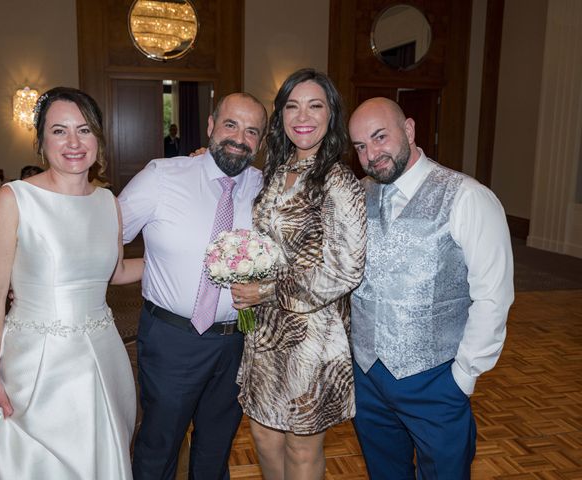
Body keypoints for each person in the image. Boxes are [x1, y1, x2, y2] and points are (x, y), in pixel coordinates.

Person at [0, 87, 143, 479]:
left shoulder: (108, 202)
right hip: (36, 366)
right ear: (41, 141)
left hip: (103, 358)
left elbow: (115, 273)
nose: (73, 142)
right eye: (59, 131)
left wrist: (177, 263)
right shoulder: (14, 199)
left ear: (98, 140)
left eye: (84, 130)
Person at [348, 97, 514, 479]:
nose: (372, 154)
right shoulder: (358, 194)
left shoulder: (467, 196)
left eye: (379, 137)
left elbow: (494, 294)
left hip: (435, 379)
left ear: (408, 129)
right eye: (360, 146)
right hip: (368, 376)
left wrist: (463, 377)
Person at [119, 92, 268, 480]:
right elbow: (102, 238)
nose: (240, 137)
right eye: (231, 125)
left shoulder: (266, 190)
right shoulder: (162, 177)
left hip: (238, 341)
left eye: (252, 131)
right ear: (210, 125)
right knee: (159, 444)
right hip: (171, 340)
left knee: (216, 449)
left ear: (262, 141)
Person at [230, 68, 367, 479]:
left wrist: (266, 290)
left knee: (301, 447)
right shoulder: (274, 171)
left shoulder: (339, 182)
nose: (302, 116)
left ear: (331, 115)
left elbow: (345, 270)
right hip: (264, 331)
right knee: (264, 437)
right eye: (292, 105)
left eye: (315, 105)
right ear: (281, 116)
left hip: (312, 335)